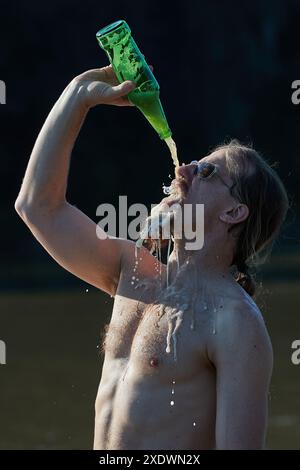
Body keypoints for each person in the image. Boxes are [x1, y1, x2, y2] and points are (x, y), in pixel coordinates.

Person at [15, 65, 289, 450]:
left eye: (206, 171)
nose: (184, 169)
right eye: (194, 162)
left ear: (233, 212)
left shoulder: (235, 322)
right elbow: (37, 206)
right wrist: (77, 96)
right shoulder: (133, 271)